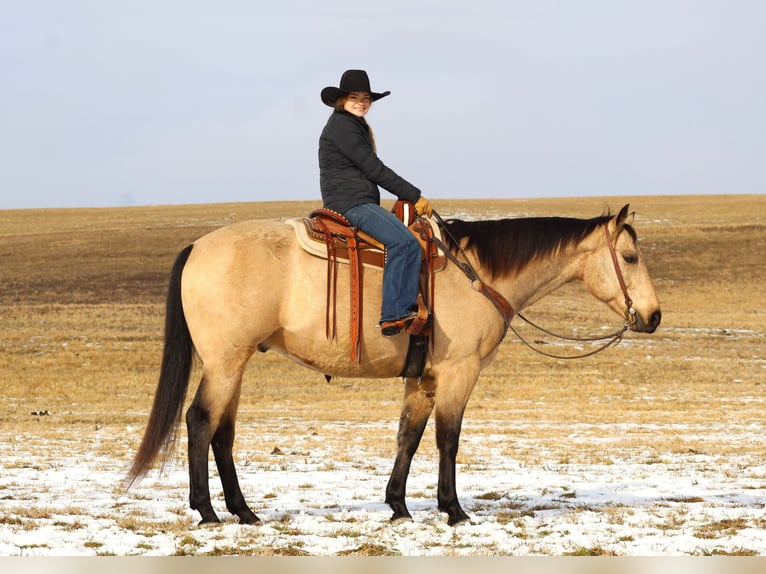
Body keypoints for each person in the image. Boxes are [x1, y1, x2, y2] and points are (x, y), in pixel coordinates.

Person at [318, 69, 433, 336]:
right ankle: (394, 313)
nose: (361, 102)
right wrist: (414, 195)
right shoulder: (343, 127)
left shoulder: (350, 125)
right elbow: (374, 169)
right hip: (352, 203)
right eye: (354, 97)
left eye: (366, 98)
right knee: (405, 243)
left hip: (353, 199)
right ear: (341, 100)